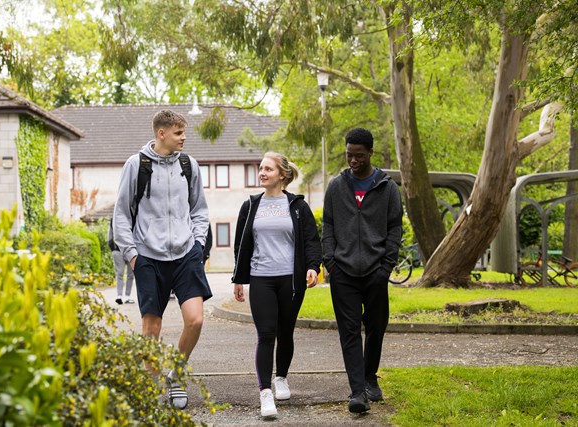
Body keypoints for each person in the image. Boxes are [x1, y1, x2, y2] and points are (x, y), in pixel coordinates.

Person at [112, 109, 212, 410]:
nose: (184, 138)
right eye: (179, 133)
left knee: (195, 319)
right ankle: (150, 389)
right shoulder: (136, 165)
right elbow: (121, 214)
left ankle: (176, 375)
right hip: (148, 257)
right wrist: (132, 256)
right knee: (151, 329)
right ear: (162, 133)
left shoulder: (188, 164)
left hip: (185, 254)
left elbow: (199, 210)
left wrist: (198, 244)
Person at [232, 152, 322, 418]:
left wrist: (313, 266)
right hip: (261, 278)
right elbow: (241, 245)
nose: (262, 172)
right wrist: (238, 278)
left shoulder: (298, 206)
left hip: (290, 280)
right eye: (261, 168)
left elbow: (311, 240)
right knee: (266, 334)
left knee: (285, 332)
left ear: (282, 175)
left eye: (268, 169)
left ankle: (281, 377)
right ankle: (265, 393)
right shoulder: (250, 206)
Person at [322, 128, 403, 414]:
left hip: (376, 271)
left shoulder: (387, 187)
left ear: (370, 152)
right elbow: (328, 225)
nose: (353, 160)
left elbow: (395, 228)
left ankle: (369, 377)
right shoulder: (336, 186)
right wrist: (330, 262)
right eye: (349, 155)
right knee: (349, 331)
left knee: (376, 327)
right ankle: (357, 392)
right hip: (343, 272)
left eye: (359, 155)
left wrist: (386, 266)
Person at [108, 218, 135, 304]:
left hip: (131, 250)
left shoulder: (133, 218)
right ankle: (119, 296)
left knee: (130, 274)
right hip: (117, 251)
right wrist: (113, 248)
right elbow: (110, 235)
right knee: (119, 273)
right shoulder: (113, 219)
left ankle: (127, 296)